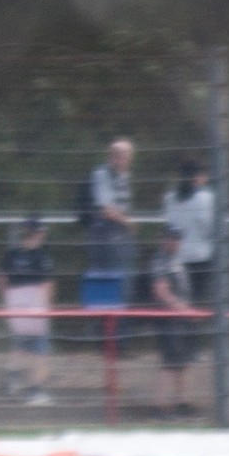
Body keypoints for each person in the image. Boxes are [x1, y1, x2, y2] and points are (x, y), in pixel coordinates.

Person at [148, 160, 212, 413]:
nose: (175, 242)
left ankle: (181, 401)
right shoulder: (162, 260)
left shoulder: (177, 259)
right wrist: (182, 308)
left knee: (183, 359)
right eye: (171, 238)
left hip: (181, 309)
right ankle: (160, 404)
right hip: (171, 314)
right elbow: (160, 289)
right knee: (170, 360)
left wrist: (188, 311)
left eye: (177, 238)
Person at [0, 215, 56, 406]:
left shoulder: (12, 254)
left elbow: (2, 281)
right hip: (35, 305)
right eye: (41, 231)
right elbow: (47, 285)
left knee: (20, 345)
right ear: (37, 233)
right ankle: (35, 392)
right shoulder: (41, 256)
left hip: (15, 305)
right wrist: (45, 308)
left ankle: (13, 377)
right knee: (40, 351)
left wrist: (9, 302)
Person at [79, 136, 137, 319]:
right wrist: (127, 222)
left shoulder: (124, 176)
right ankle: (105, 325)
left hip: (121, 238)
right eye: (126, 157)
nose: (129, 161)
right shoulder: (102, 175)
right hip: (106, 238)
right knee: (109, 283)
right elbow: (106, 209)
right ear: (116, 157)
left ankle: (121, 325)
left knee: (125, 283)